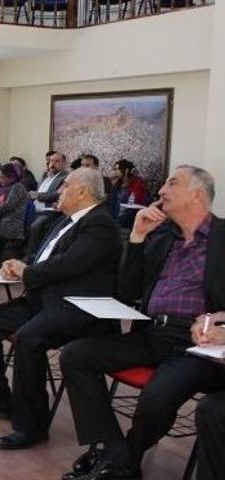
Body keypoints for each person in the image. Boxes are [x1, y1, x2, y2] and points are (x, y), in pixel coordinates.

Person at [59, 165, 224, 480]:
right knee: (76, 355)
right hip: (153, 334)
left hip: (198, 346)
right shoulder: (164, 240)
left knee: (157, 396)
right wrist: (136, 238)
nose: (160, 191)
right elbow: (128, 292)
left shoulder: (223, 238)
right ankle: (115, 455)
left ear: (197, 194)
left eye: (171, 184)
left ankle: (118, 462)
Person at [0, 168, 121, 450]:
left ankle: (31, 426)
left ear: (83, 191)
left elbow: (70, 263)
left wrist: (27, 271)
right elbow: (44, 256)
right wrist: (17, 263)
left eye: (66, 185)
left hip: (78, 309)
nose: (59, 190)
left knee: (29, 338)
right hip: (45, 301)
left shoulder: (100, 224)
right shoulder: (65, 220)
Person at [26, 151, 69, 256]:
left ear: (64, 163)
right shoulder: (46, 176)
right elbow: (38, 192)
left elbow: (57, 195)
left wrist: (38, 195)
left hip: (50, 210)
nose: (52, 164)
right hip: (36, 207)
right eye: (51, 161)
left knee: (35, 226)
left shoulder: (65, 177)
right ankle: (16, 252)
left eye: (56, 161)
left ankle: (31, 256)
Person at [110, 158, 150, 228]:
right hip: (115, 220)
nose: (115, 172)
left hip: (128, 222)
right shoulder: (117, 184)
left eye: (117, 169)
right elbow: (111, 201)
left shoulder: (136, 184)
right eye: (115, 169)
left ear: (126, 170)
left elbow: (134, 203)